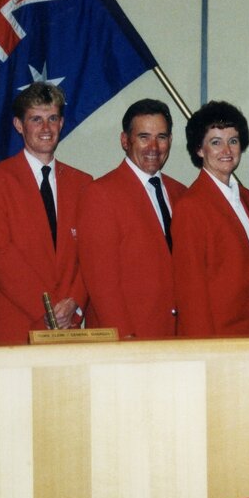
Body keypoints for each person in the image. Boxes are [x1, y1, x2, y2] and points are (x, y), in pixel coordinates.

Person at [0, 83, 93, 342]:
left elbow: (91, 254)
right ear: (19, 125)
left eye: (52, 118)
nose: (46, 128)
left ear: (62, 123)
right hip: (20, 321)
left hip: (69, 323)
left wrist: (74, 301)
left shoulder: (83, 183)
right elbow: (2, 255)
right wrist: (47, 310)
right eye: (36, 119)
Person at [76, 99, 187, 338]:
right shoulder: (100, 193)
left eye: (162, 137)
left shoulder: (181, 194)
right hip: (129, 339)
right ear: (125, 141)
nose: (154, 147)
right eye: (144, 136)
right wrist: (124, 337)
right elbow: (101, 282)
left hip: (178, 337)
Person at [172, 101, 249, 336]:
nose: (227, 150)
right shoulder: (190, 206)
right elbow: (191, 290)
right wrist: (204, 351)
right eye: (216, 142)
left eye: (233, 141)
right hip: (217, 338)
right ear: (199, 149)